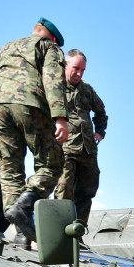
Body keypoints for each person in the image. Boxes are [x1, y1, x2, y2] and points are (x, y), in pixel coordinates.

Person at [0, 18, 69, 245]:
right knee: (52, 163)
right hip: (29, 103)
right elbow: (53, 80)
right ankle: (24, 205)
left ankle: (21, 232)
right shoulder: (48, 46)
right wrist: (61, 118)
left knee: (10, 169)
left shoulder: (7, 47)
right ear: (52, 37)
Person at [53, 49, 108, 226]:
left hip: (88, 150)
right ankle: (58, 233)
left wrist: (100, 132)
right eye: (76, 68)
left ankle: (77, 233)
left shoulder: (87, 89)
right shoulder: (54, 87)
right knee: (63, 192)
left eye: (83, 70)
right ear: (65, 65)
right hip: (65, 148)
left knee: (87, 192)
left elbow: (101, 112)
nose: (79, 73)